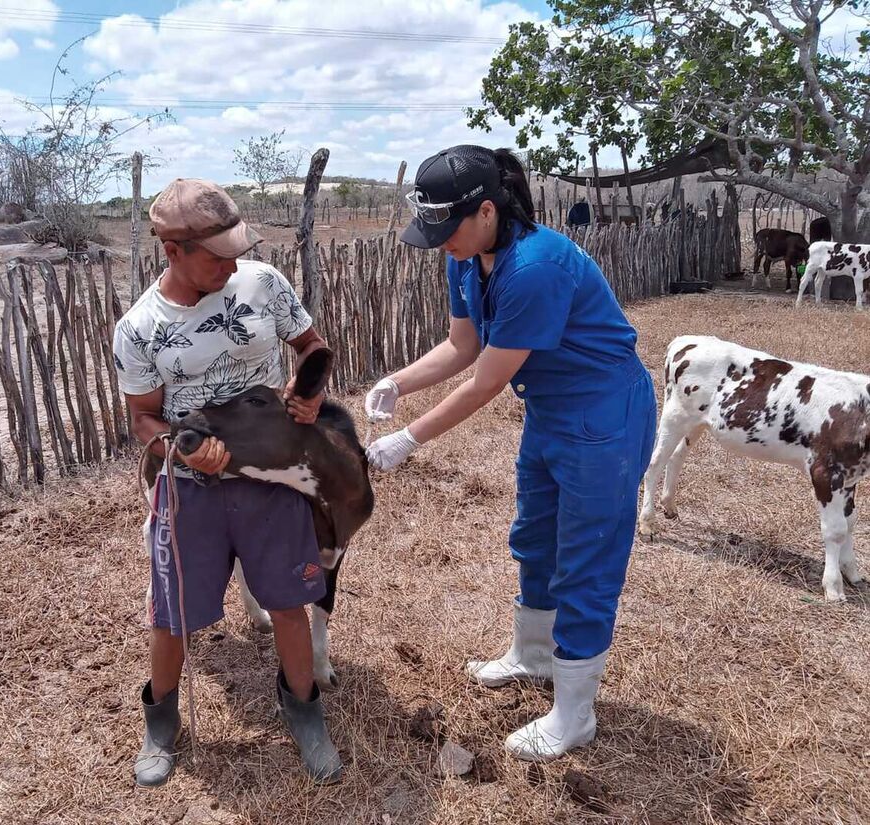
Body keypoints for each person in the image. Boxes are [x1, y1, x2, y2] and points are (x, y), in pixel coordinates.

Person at [364, 145, 657, 761]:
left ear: (489, 211)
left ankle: (574, 713)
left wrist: (409, 438)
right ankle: (532, 656)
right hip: (551, 410)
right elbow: (461, 347)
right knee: (534, 536)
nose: (441, 243)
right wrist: (399, 382)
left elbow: (487, 382)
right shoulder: (468, 257)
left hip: (602, 411)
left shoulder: (536, 266)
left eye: (449, 229)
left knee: (586, 556)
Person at [113, 178, 342, 786]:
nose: (230, 266)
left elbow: (311, 345)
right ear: (173, 251)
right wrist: (185, 455)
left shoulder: (263, 284)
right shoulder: (140, 327)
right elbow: (143, 418)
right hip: (193, 492)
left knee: (291, 603)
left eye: (235, 251)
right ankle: (161, 722)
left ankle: (303, 709)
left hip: (273, 476)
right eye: (216, 257)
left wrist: (310, 390)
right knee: (173, 614)